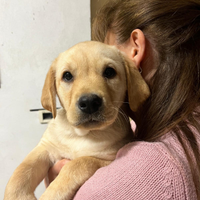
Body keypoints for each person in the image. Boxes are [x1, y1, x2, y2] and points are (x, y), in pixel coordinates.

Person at [45, 0, 200, 199]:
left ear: (135, 49)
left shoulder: (149, 174)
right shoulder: (182, 133)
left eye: (108, 70)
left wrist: (63, 187)